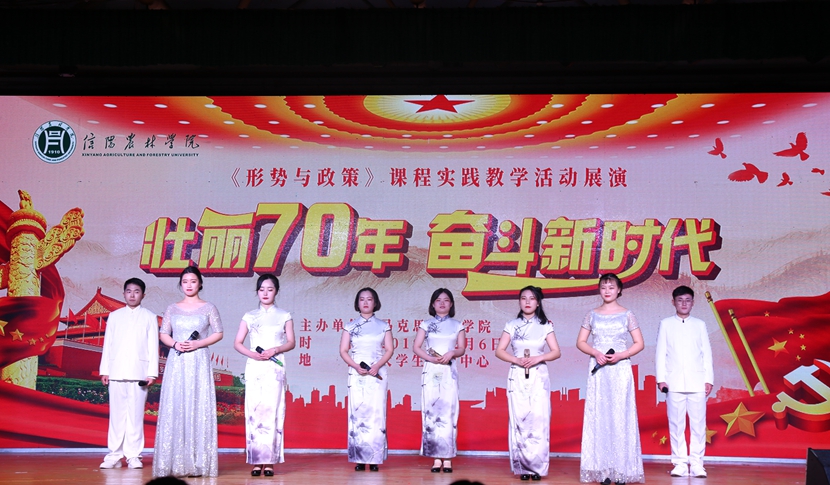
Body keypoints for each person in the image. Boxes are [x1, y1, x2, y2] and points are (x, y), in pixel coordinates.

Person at [152, 266, 224, 478]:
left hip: (198, 360)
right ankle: (174, 462)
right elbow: (163, 333)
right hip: (177, 360)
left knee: (197, 404)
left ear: (200, 283)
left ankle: (198, 464)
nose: (189, 285)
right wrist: (175, 344)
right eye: (185, 281)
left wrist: (198, 344)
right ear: (180, 284)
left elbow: (218, 332)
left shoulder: (209, 307)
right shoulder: (172, 308)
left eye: (193, 281)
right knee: (176, 404)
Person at [577, 274, 644, 485]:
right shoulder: (592, 314)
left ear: (619, 290)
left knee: (620, 415)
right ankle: (604, 471)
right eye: (603, 287)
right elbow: (581, 342)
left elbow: (639, 343)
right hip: (599, 370)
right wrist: (596, 353)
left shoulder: (627, 314)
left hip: (620, 369)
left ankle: (622, 471)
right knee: (600, 416)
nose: (607, 291)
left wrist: (621, 355)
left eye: (611, 287)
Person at [494, 285, 561, 481]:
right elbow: (499, 350)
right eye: (523, 298)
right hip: (517, 375)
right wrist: (516, 360)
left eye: (531, 298)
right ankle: (523, 467)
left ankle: (538, 468)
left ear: (538, 302)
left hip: (538, 376)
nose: (527, 302)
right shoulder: (511, 325)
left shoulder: (545, 325)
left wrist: (538, 358)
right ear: (519, 302)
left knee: (539, 419)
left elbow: (556, 351)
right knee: (520, 419)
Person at [233, 274, 295, 477]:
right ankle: (256, 460)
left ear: (276, 291)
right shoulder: (249, 316)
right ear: (257, 292)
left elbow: (291, 342)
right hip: (255, 367)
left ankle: (269, 461)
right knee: (255, 411)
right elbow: (238, 343)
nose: (265, 293)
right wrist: (252, 354)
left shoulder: (284, 315)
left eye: (270, 289)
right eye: (262, 289)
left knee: (273, 411)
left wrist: (275, 349)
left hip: (274, 367)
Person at [99, 278, 159, 470]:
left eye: (136, 291)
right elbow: (108, 344)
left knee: (135, 417)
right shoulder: (114, 316)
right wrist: (105, 370)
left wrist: (152, 373)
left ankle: (133, 456)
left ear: (143, 294)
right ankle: (113, 455)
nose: (132, 295)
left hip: (139, 373)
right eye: (129, 291)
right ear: (124, 293)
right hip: (116, 372)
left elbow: (153, 347)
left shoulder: (149, 317)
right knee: (116, 417)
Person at [655, 286, 713, 479]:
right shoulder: (665, 324)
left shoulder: (699, 324)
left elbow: (706, 355)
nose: (684, 303)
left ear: (693, 303)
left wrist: (708, 379)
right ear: (673, 302)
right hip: (673, 382)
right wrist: (661, 379)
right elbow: (660, 353)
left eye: (688, 300)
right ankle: (679, 463)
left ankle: (697, 464)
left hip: (697, 382)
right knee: (676, 424)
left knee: (698, 425)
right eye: (680, 300)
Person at [339, 287, 394, 472]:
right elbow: (343, 351)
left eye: (369, 299)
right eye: (362, 299)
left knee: (377, 413)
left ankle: (375, 458)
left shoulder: (383, 326)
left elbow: (389, 350)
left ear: (375, 302)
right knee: (358, 414)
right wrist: (355, 366)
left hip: (377, 373)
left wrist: (377, 365)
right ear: (357, 303)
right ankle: (360, 458)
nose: (365, 302)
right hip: (357, 374)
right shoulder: (350, 326)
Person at [413, 288, 467, 474]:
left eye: (446, 300)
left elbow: (462, 348)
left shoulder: (458, 325)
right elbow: (416, 347)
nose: (442, 303)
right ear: (433, 304)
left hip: (448, 371)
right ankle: (436, 457)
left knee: (449, 411)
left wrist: (452, 352)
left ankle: (448, 456)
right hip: (431, 370)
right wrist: (430, 358)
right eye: (438, 300)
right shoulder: (426, 324)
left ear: (451, 304)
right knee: (432, 411)